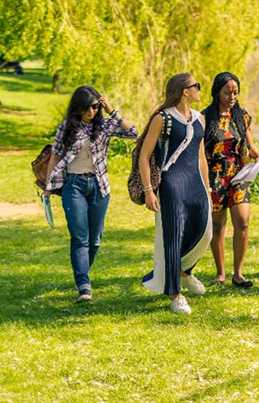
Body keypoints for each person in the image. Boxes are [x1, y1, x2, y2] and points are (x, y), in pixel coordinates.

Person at [44, 86, 137, 302]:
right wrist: (48, 186)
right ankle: (84, 286)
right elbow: (55, 156)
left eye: (95, 106)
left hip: (99, 186)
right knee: (80, 238)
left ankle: (82, 271)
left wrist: (112, 111)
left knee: (94, 240)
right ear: (78, 107)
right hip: (73, 185)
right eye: (87, 107)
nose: (91, 111)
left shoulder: (104, 125)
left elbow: (133, 133)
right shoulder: (66, 127)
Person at [139, 73, 213, 315]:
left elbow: (201, 156)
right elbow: (144, 156)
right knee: (172, 238)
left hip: (196, 183)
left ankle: (185, 270)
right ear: (185, 91)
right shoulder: (163, 119)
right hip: (171, 183)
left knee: (205, 232)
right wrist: (149, 191)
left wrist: (208, 187)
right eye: (196, 86)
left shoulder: (200, 119)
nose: (200, 90)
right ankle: (175, 294)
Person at [203, 72, 259, 288]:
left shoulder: (241, 116)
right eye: (227, 92)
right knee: (218, 226)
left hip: (238, 175)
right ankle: (220, 273)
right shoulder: (205, 117)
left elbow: (249, 143)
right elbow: (200, 150)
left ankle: (239, 274)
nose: (232, 96)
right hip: (214, 176)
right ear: (217, 92)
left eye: (235, 92)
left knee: (243, 222)